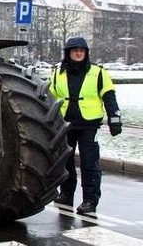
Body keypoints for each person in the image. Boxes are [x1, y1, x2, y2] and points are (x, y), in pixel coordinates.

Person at [49, 36, 122, 214]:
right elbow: (50, 97)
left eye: (82, 50)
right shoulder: (58, 73)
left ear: (86, 53)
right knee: (65, 162)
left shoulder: (97, 72)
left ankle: (90, 200)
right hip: (65, 124)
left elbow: (109, 96)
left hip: (89, 125)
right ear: (68, 53)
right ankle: (66, 194)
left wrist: (114, 119)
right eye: (75, 50)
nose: (79, 53)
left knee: (90, 163)